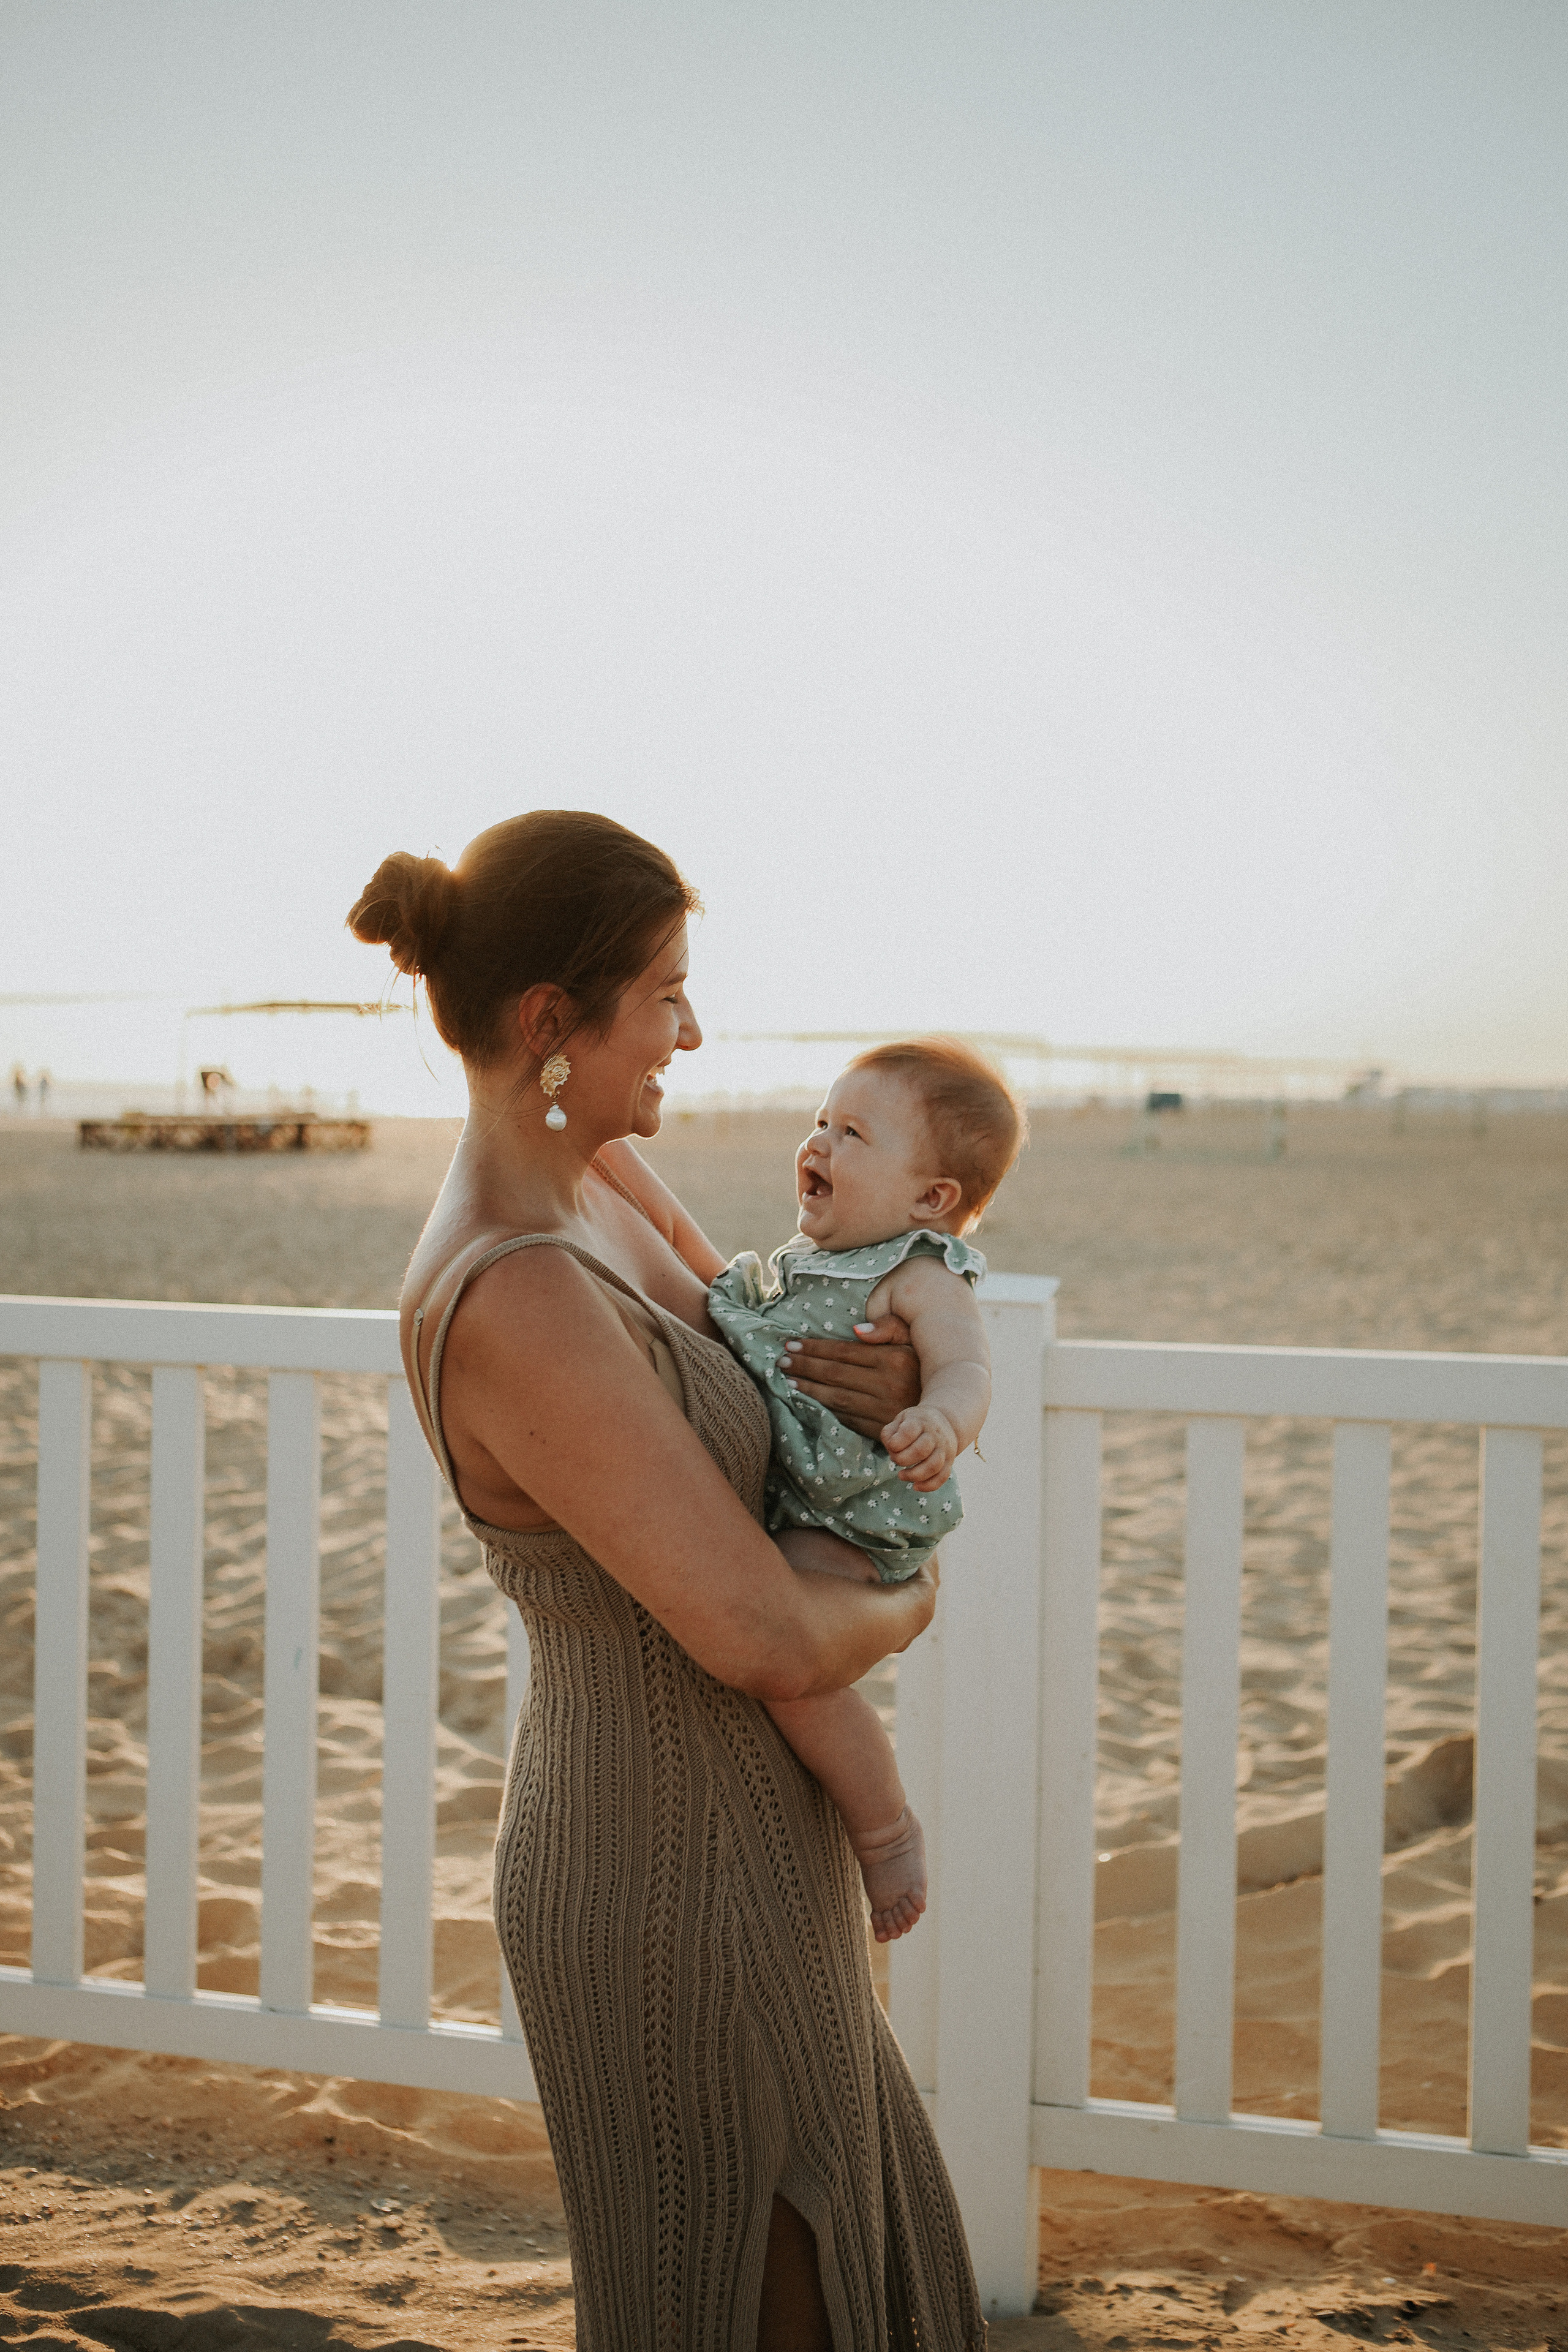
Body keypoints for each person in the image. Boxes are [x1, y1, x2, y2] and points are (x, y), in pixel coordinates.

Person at [348, 812, 984, 2351]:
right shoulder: (514, 1289)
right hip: (660, 1878)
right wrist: (915, 1596)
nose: (692, 1032)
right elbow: (760, 1631)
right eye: (664, 996)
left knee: (844, 2264)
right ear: (548, 1025)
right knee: (764, 2300)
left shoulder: (600, 1175)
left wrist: (876, 1358)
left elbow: (742, 1331)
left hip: (751, 1844)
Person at [709, 1041, 1023, 1944]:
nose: (820, 1144)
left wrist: (942, 1421)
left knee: (793, 1658)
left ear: (932, 1200)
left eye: (853, 1134)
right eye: (820, 1122)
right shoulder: (801, 1261)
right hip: (793, 1490)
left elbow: (967, 1367)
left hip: (848, 1509)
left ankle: (884, 1828)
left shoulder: (919, 1274)